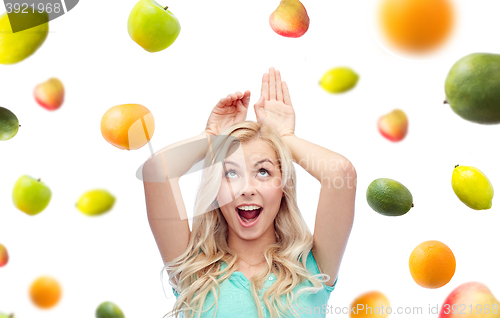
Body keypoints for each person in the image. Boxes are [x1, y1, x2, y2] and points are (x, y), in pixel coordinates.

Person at [142, 67, 357, 318]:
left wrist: (284, 137)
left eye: (263, 172)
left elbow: (340, 173)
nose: (247, 189)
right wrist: (211, 137)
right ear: (216, 191)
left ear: (283, 188)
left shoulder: (313, 267)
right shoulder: (193, 271)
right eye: (231, 173)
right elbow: (157, 170)